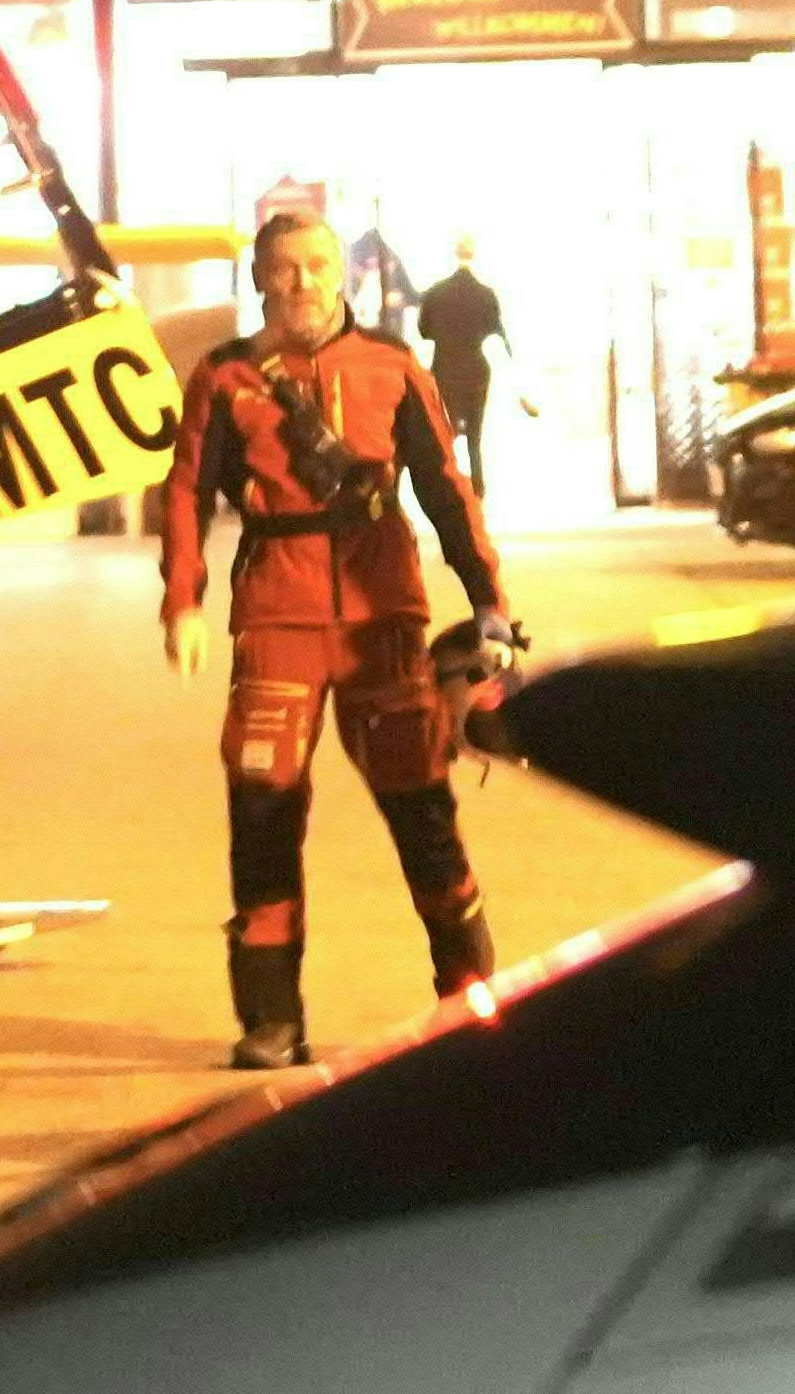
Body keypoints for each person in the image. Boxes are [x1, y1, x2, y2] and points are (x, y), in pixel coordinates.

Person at [161, 210, 520, 1070]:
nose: (302, 284)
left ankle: (465, 992)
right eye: (283, 269)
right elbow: (183, 491)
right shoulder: (222, 377)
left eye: (318, 265)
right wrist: (182, 600)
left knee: (420, 807)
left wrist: (489, 604)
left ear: (344, 274)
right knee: (262, 811)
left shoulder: (392, 368)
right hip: (276, 619)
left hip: (381, 615)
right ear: (258, 279)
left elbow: (445, 490)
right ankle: (271, 1020)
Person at [412, 236, 535, 489]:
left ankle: (449, 478)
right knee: (474, 434)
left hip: (445, 365)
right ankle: (478, 481)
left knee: (445, 428)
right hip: (476, 368)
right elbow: (498, 331)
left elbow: (424, 330)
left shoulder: (435, 293)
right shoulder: (485, 293)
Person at [346, 220, 420, 347]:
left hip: (390, 337)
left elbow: (413, 298)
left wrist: (398, 300)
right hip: (359, 340)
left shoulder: (394, 268)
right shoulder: (350, 278)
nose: (373, 268)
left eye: (376, 263)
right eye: (369, 264)